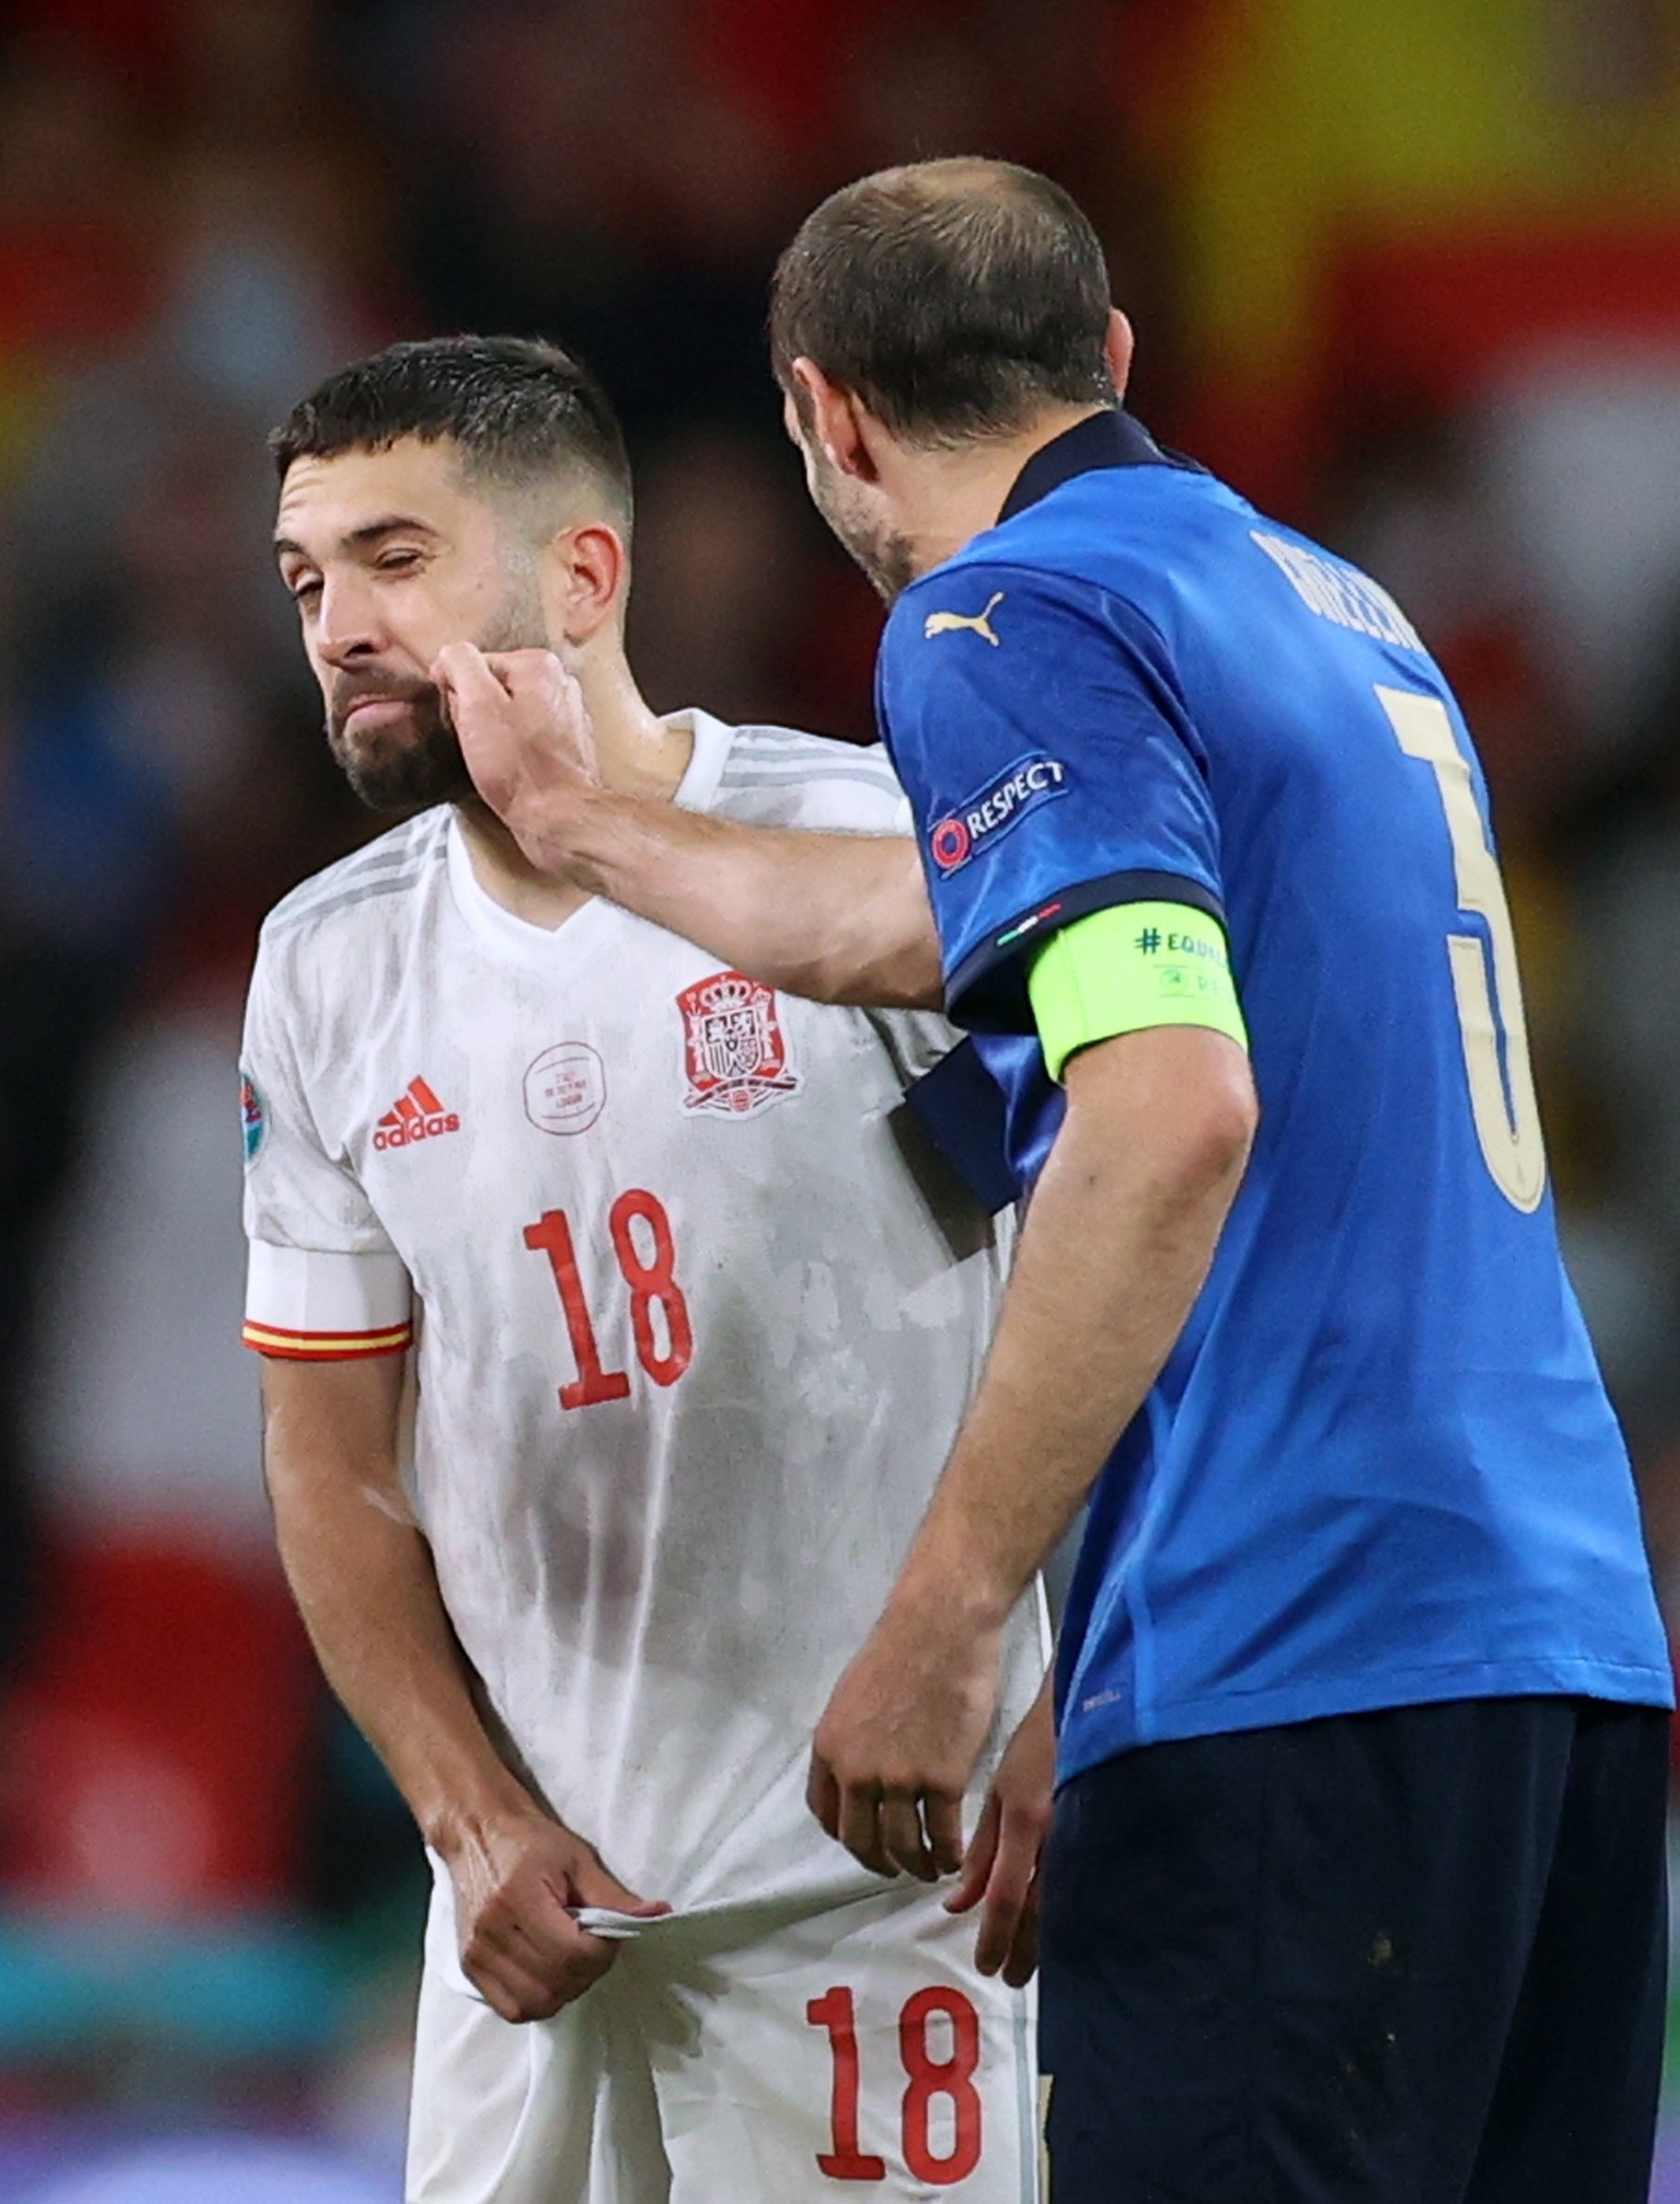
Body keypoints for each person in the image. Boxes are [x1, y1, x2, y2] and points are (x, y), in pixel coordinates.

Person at [434, 160, 1676, 2202]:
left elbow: (1168, 1104)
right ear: (1106, 355)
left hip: (1291, 1646)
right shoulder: (1321, 609)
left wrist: (949, 1618)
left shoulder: (1006, 614)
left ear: (824, 418)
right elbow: (931, 923)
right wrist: (584, 824)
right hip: (1550, 1652)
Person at [248, 336, 1052, 2202]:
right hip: (540, 1936)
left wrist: (1083, 1702)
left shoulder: (871, 846)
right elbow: (332, 1461)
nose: (337, 627)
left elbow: (1135, 1267)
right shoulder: (326, 967)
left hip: (885, 1899)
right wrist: (464, 1825)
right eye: (303, 582)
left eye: (394, 558)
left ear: (584, 577)